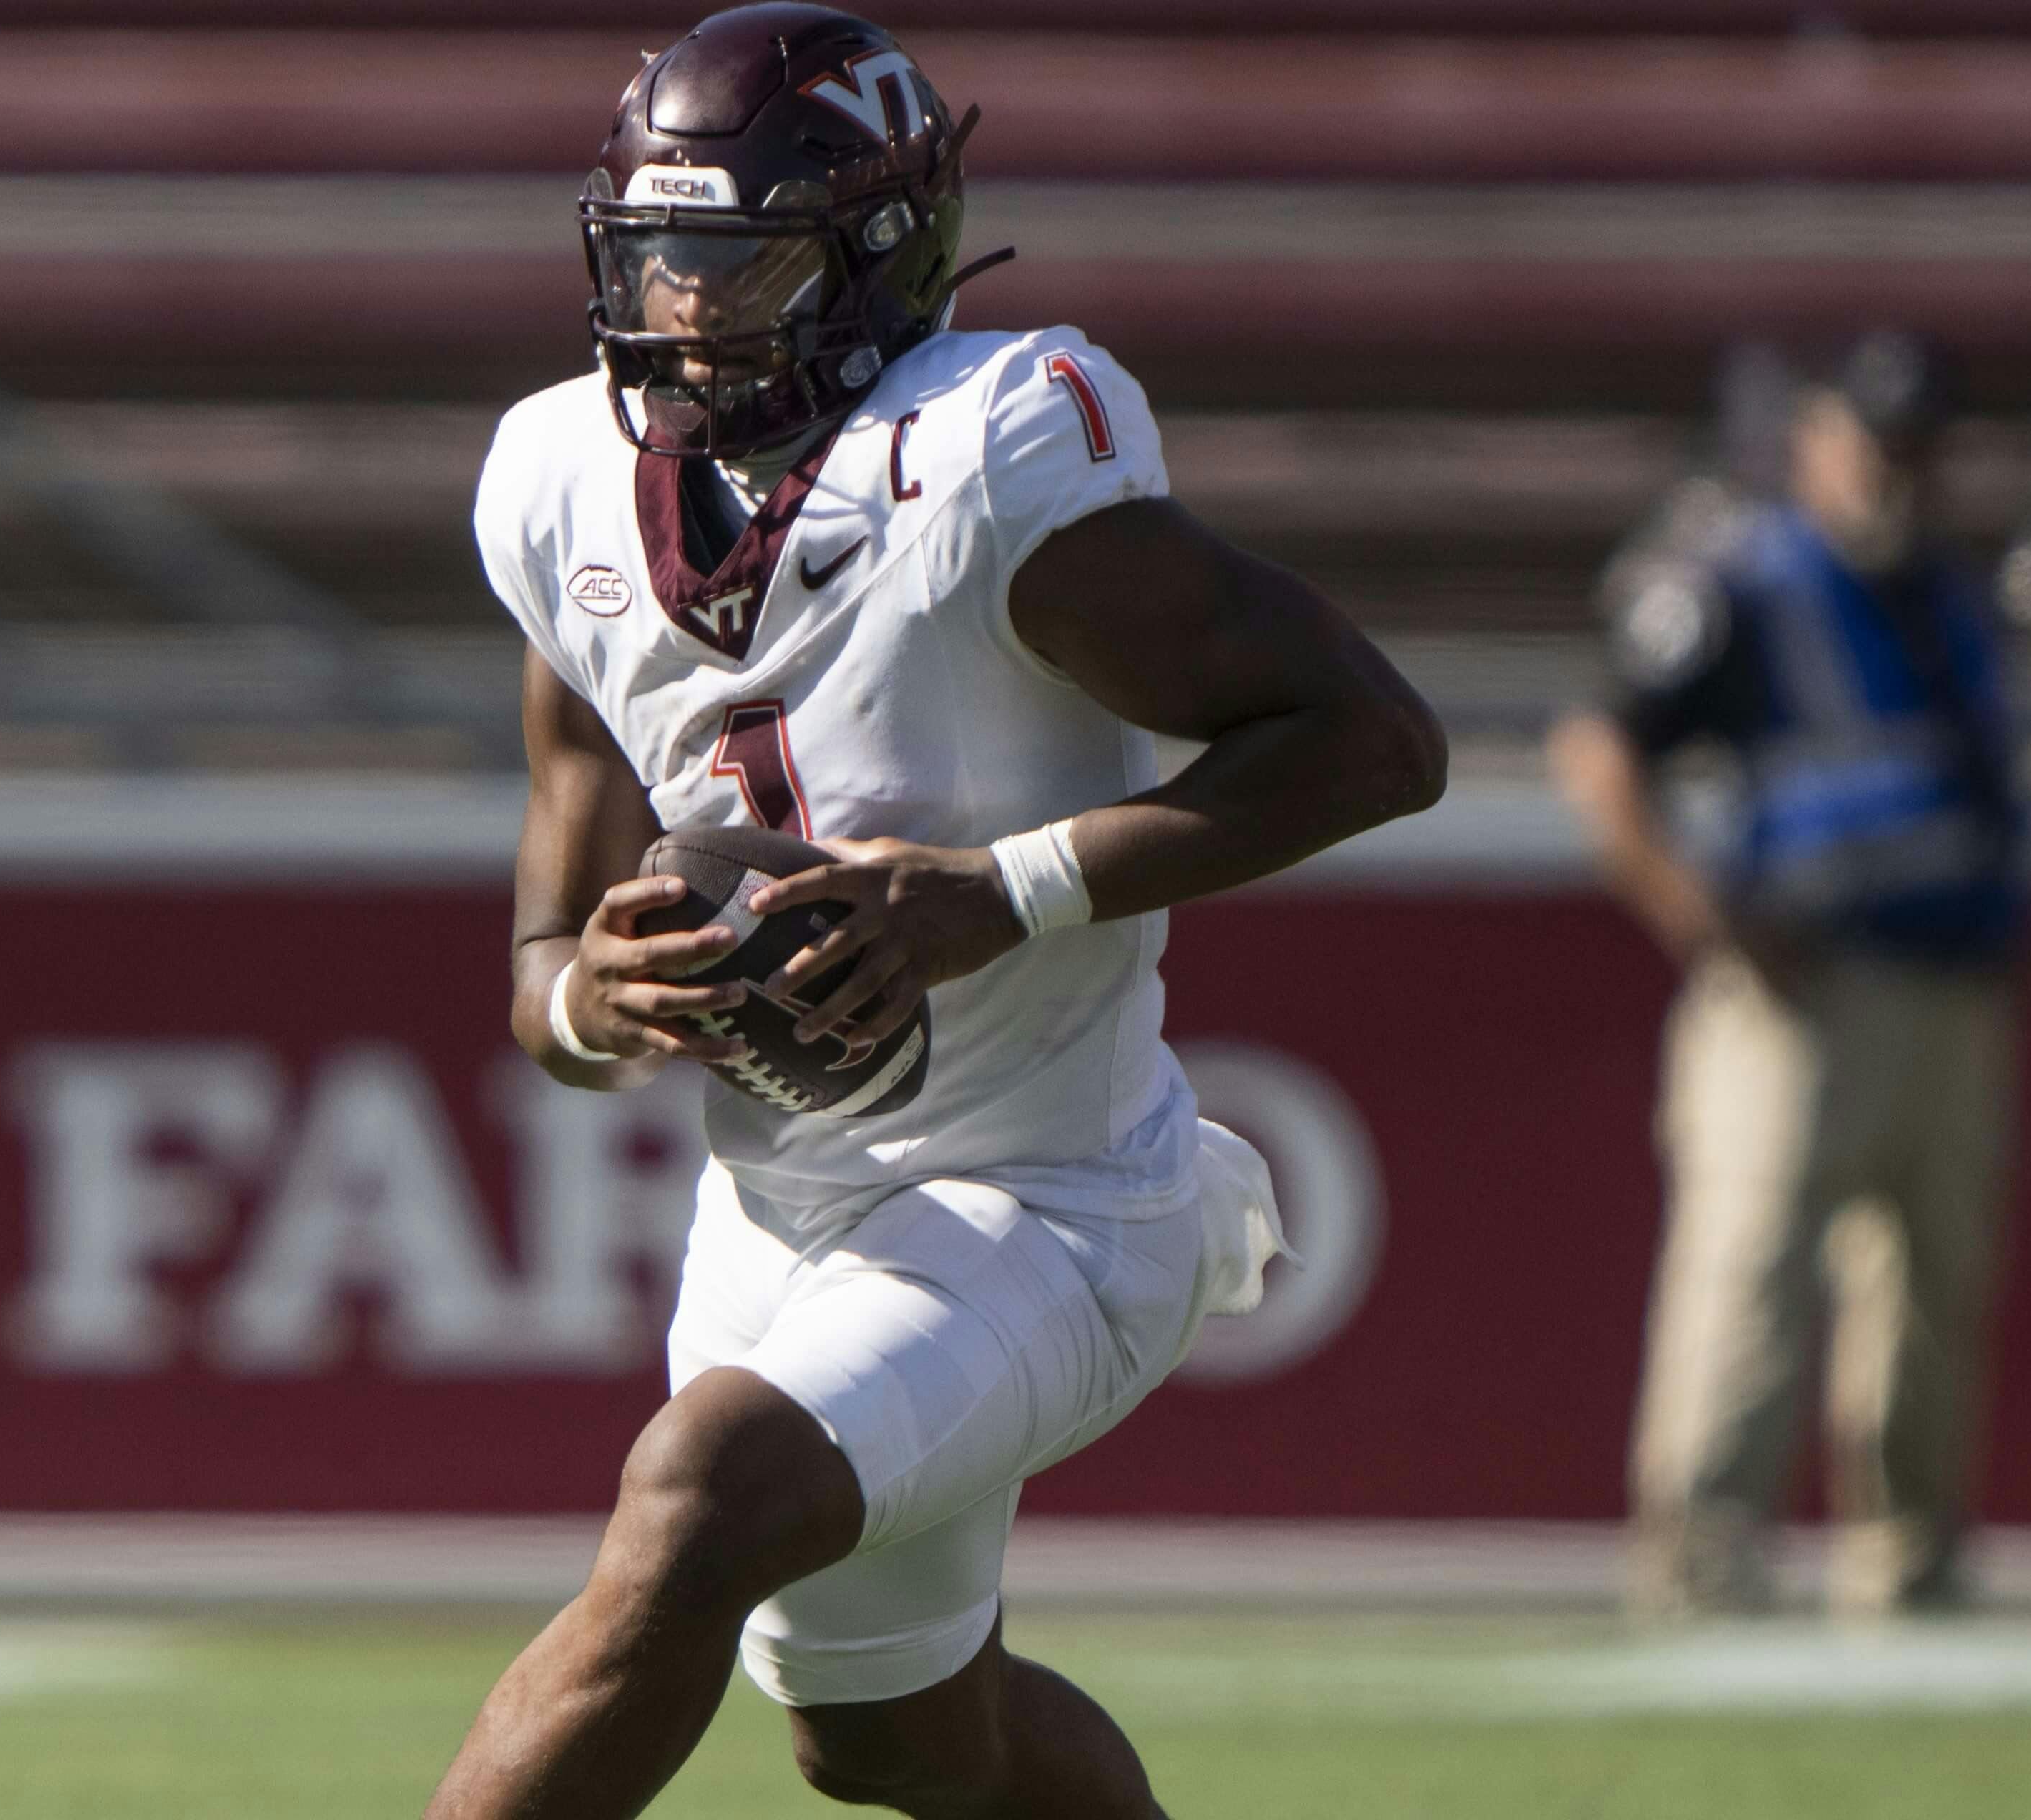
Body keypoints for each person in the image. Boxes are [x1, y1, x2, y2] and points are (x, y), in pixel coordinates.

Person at [431, 7, 1445, 1815]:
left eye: (732, 269)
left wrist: (1003, 891)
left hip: (1047, 1195)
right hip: (774, 1213)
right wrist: (600, 999)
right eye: (653, 261)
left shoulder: (981, 466)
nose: (675, 313)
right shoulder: (558, 481)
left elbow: (1370, 743)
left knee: (695, 1499)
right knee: (890, 1741)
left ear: (872, 258)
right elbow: (542, 968)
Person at [1547, 331, 2031, 1620]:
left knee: (1931, 1295)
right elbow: (1600, 752)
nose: (1897, 475)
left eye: (1920, 449)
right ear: (1817, 440)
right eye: (1877, 445)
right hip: (1798, 989)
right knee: (1752, 1270)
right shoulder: (1739, 583)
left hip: (1949, 979)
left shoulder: (1946, 590)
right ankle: (1699, 1557)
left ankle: (1910, 1561)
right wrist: (1707, 924)